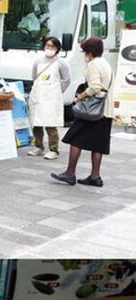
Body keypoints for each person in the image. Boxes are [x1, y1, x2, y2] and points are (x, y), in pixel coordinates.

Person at [51, 37, 114, 187]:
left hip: (92, 111)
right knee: (98, 144)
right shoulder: (105, 64)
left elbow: (95, 87)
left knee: (75, 138)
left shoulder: (93, 64)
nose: (84, 54)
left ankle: (70, 173)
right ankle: (95, 176)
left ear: (90, 51)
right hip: (106, 110)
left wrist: (80, 96)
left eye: (85, 50)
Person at [28, 36, 70, 160]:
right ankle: (39, 146)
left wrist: (57, 92)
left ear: (57, 48)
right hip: (38, 95)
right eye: (47, 46)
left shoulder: (61, 63)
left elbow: (67, 80)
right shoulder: (38, 61)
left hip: (52, 98)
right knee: (37, 122)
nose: (49, 48)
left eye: (52, 46)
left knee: (51, 124)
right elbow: (34, 77)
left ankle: (54, 149)